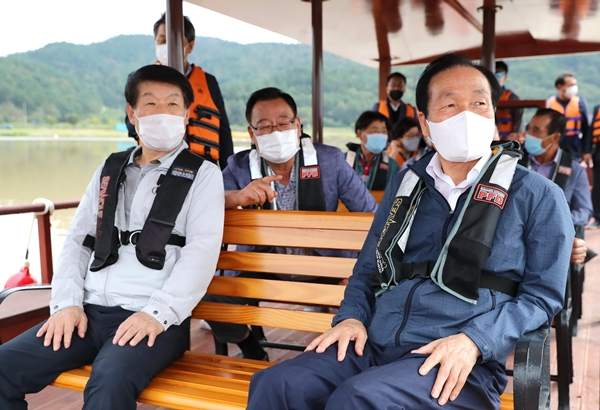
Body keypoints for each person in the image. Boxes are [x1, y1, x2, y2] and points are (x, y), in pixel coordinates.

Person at [246, 54, 573, 410]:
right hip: (374, 342)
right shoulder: (407, 184)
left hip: (457, 359)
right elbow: (367, 269)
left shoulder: (538, 194)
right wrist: (351, 317)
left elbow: (542, 296)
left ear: (493, 114)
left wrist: (475, 340)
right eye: (450, 104)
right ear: (425, 123)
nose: (466, 115)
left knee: (359, 399)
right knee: (276, 385)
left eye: (479, 103)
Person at [0, 65, 225, 410]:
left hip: (154, 318)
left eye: (172, 104)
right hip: (87, 313)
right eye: (150, 103)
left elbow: (202, 252)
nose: (162, 112)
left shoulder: (204, 174)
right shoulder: (110, 168)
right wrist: (66, 304)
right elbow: (78, 240)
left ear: (186, 114)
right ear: (132, 114)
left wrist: (158, 314)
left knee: (108, 383)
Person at [204, 87, 378, 361]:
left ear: (297, 126)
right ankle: (250, 347)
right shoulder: (239, 166)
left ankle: (345, 357)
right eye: (264, 126)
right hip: (262, 267)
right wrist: (237, 196)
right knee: (208, 293)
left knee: (374, 293)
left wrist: (355, 270)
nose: (275, 132)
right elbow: (206, 201)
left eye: (283, 123)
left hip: (327, 267)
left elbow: (371, 216)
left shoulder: (330, 160)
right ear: (252, 134)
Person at [126, 13, 233, 170]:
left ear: (190, 46)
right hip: (155, 164)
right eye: (162, 40)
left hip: (201, 163)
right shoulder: (139, 81)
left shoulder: (208, 82)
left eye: (175, 41)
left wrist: (227, 173)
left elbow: (224, 132)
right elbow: (130, 124)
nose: (167, 46)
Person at [520, 108, 590, 263]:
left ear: (555, 137)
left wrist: (555, 220)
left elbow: (584, 211)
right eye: (528, 129)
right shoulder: (517, 161)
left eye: (536, 130)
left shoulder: (575, 170)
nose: (528, 134)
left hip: (553, 242)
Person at [346, 111, 399, 190]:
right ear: (360, 134)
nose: (380, 135)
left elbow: (392, 193)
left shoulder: (392, 165)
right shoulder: (343, 160)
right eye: (375, 131)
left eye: (384, 132)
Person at [546, 72, 591, 161]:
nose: (574, 88)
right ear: (559, 87)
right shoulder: (549, 104)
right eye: (570, 85)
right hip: (554, 146)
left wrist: (586, 151)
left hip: (574, 146)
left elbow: (587, 129)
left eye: (575, 85)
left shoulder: (580, 103)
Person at [494, 61, 524, 140]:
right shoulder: (479, 96)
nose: (496, 76)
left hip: (506, 143)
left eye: (499, 73)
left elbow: (519, 128)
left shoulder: (513, 99)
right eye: (493, 73)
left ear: (506, 76)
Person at [588, 104, 600, 228]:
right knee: (597, 186)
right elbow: (590, 131)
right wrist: (586, 151)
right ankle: (598, 216)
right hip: (599, 152)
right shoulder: (597, 108)